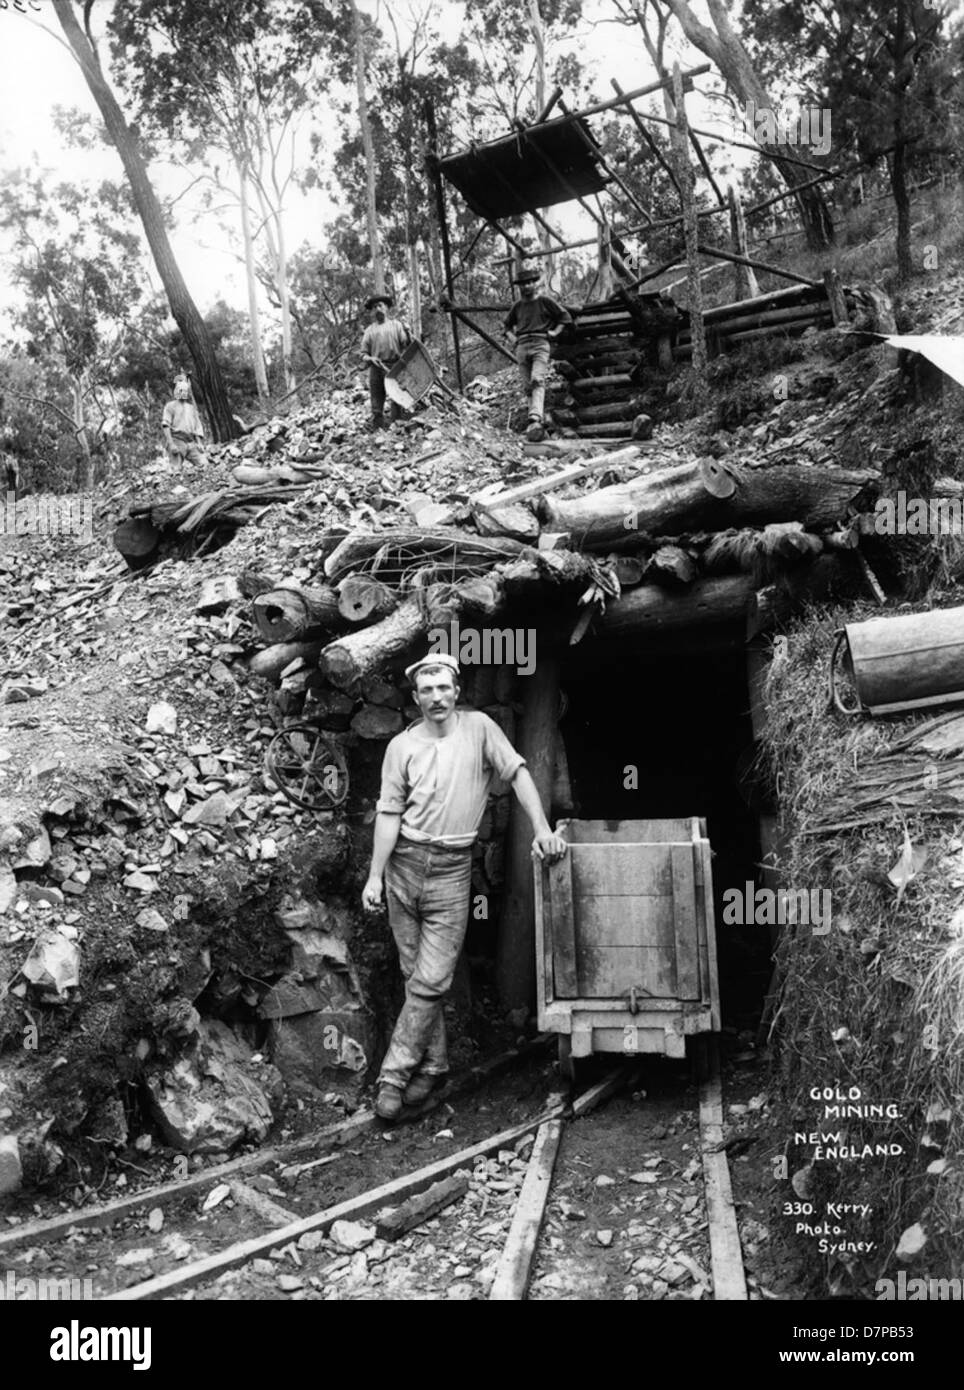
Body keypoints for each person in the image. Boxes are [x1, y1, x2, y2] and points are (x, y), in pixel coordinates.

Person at [362, 653, 567, 1121]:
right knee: (417, 977)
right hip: (403, 865)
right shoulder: (401, 747)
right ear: (416, 699)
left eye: (443, 688)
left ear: (457, 691)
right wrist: (375, 876)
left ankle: (394, 1075)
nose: (436, 697)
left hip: (453, 870)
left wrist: (541, 828)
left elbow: (517, 772)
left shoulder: (479, 730)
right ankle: (433, 1067)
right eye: (427, 691)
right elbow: (389, 814)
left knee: (432, 979)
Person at [502, 267, 572, 441]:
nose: (527, 286)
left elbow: (565, 317)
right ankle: (535, 422)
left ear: (535, 284)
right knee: (527, 386)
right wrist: (513, 339)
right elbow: (506, 327)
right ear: (519, 287)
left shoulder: (545, 301)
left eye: (530, 282)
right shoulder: (517, 306)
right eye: (523, 284)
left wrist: (555, 333)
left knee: (537, 379)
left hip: (541, 343)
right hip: (522, 345)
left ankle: (535, 415)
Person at [360, 293, 412, 430]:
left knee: (396, 399)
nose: (377, 308)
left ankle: (397, 429)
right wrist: (370, 358)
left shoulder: (396, 325)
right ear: (372, 311)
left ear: (386, 308)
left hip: (394, 366)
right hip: (376, 367)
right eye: (374, 307)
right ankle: (378, 431)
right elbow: (363, 354)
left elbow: (406, 344)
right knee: (376, 401)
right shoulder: (369, 331)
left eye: (380, 305)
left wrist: (408, 332)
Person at [161, 378, 206, 466]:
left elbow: (197, 427)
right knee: (176, 470)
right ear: (176, 391)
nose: (182, 392)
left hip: (191, 442)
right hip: (177, 440)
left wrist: (199, 443)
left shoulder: (192, 408)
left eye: (185, 390)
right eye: (180, 390)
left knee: (204, 465)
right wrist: (171, 444)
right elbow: (166, 425)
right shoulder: (170, 406)